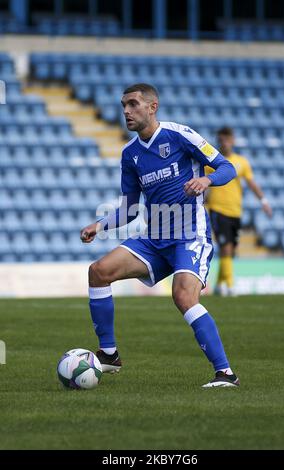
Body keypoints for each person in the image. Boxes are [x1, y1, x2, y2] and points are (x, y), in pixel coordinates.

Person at [80, 83, 239, 387]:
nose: (126, 111)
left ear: (152, 107)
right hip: (154, 237)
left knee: (182, 296)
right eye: (123, 105)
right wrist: (99, 225)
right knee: (98, 272)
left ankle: (226, 374)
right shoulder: (130, 155)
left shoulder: (179, 135)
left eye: (133, 104)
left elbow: (226, 167)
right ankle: (109, 354)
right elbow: (128, 209)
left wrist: (206, 180)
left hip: (190, 234)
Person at [205, 126, 272, 296]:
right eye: (221, 140)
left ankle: (219, 286)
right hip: (218, 209)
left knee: (231, 250)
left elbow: (251, 183)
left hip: (236, 211)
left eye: (227, 140)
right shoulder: (211, 163)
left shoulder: (241, 162)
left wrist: (263, 201)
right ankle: (230, 285)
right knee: (225, 247)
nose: (224, 143)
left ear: (232, 141)